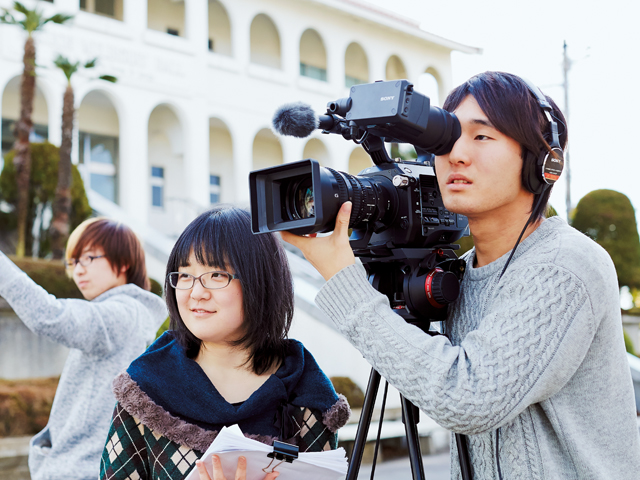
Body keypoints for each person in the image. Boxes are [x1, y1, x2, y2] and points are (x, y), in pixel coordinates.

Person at [281, 71, 640, 479]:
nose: (456, 155)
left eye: (482, 136)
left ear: (543, 161)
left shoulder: (566, 264)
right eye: (446, 140)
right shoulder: (462, 273)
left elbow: (469, 398)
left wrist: (344, 280)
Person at [99, 206, 350, 480]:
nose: (196, 292)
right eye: (184, 275)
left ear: (260, 281)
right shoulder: (146, 388)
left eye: (216, 275)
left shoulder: (306, 392)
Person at [0, 217, 167, 480]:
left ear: (124, 262)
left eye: (88, 258)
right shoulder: (129, 315)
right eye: (73, 262)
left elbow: (50, 316)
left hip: (82, 470)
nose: (78, 270)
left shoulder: (122, 314)